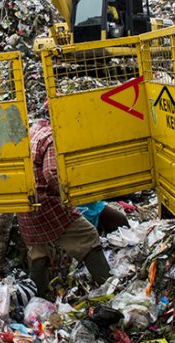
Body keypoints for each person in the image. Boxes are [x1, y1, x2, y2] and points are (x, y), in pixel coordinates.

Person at [16, 115, 111, 297]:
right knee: (87, 237)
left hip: (27, 206)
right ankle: (108, 285)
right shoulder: (51, 137)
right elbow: (51, 174)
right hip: (49, 207)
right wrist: (70, 193)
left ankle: (39, 299)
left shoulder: (32, 132)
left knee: (38, 252)